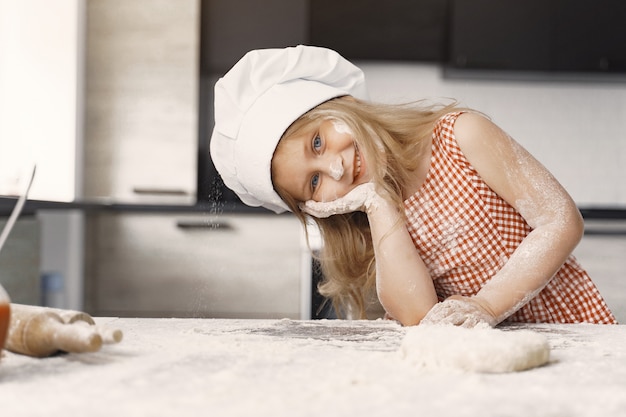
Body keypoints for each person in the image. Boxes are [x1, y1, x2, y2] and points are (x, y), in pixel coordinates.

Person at [210, 45, 617, 327]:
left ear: (344, 104)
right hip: (484, 366)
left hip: (571, 334)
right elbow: (419, 315)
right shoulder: (371, 223)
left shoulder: (460, 136)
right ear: (315, 208)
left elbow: (560, 219)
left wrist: (487, 306)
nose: (335, 168)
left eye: (317, 140)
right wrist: (379, 203)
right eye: (313, 182)